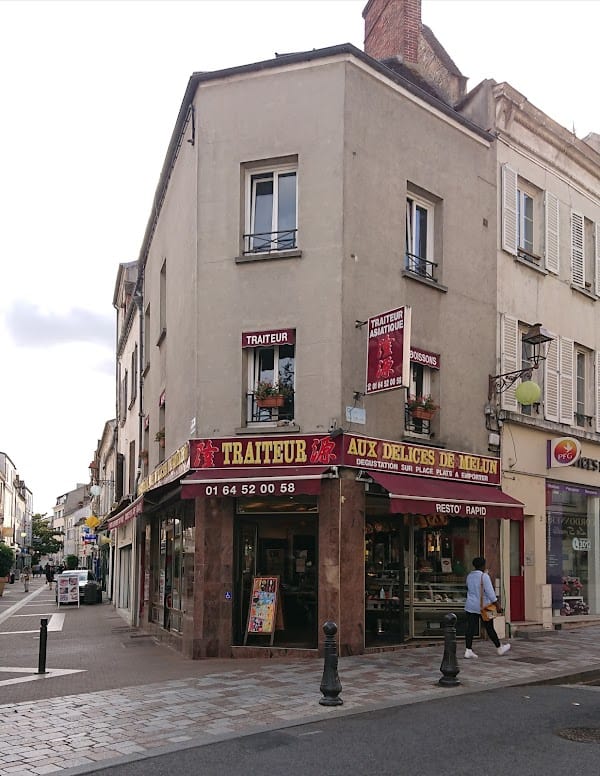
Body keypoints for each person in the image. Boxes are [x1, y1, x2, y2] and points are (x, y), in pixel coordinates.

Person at [464, 557, 511, 658]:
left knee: (470, 628)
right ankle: (499, 647)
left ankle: (468, 649)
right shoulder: (484, 576)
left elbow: (468, 587)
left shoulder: (469, 576)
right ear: (483, 565)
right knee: (490, 628)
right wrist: (497, 605)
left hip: (470, 605)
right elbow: (490, 593)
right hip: (485, 607)